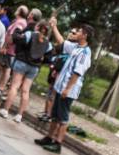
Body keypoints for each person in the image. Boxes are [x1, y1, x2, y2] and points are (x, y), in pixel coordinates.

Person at [35, 20, 94, 154]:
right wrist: (54, 26)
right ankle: (49, 138)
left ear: (85, 35)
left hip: (68, 90)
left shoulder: (85, 53)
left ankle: (58, 143)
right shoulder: (76, 47)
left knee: (63, 117)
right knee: (55, 115)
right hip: (60, 87)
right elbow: (62, 42)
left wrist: (67, 89)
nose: (76, 33)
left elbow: (77, 72)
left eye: (79, 31)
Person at [0, 20, 52, 123]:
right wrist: (41, 59)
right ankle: (19, 116)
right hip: (34, 67)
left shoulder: (29, 34)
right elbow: (48, 58)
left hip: (22, 62)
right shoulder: (48, 44)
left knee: (14, 86)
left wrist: (18, 32)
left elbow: (18, 41)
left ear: (38, 27)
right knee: (26, 90)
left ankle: (5, 110)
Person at [0, 5, 28, 96]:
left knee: (6, 68)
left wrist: (5, 47)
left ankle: (1, 88)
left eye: (18, 9)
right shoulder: (20, 21)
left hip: (10, 49)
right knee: (4, 67)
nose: (16, 10)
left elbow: (12, 36)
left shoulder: (20, 22)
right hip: (10, 49)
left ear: (20, 12)